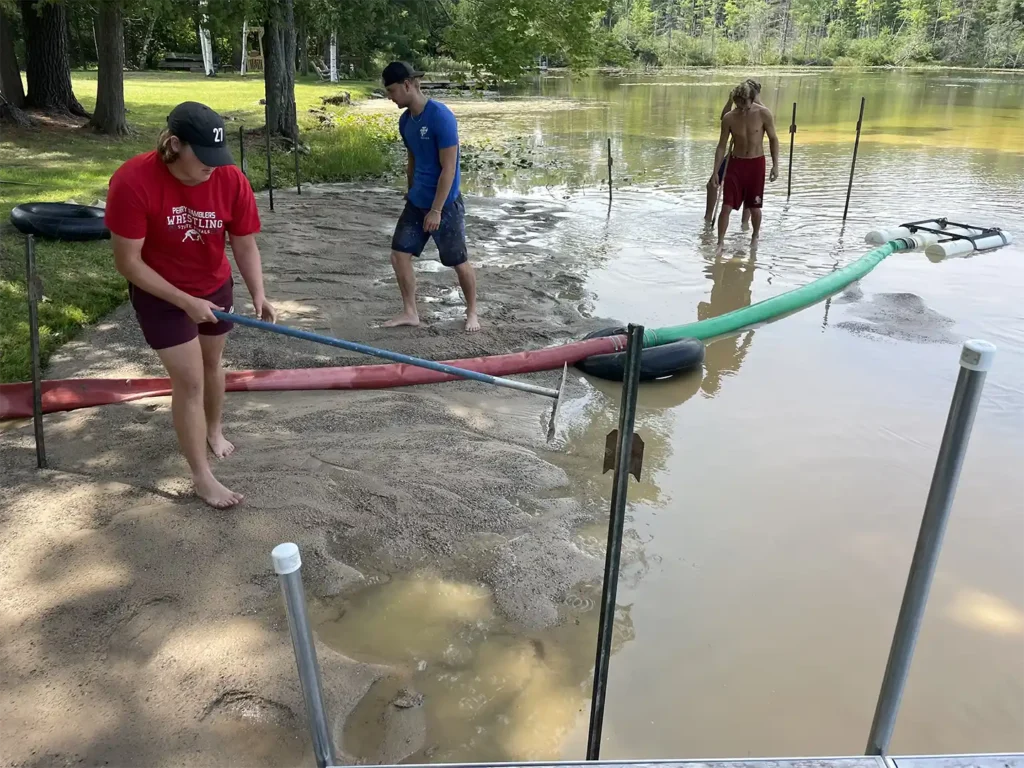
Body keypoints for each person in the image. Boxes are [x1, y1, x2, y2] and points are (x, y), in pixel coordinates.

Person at [105, 101, 277, 509]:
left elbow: (243, 241)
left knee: (212, 365)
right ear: (174, 145)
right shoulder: (132, 181)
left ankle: (213, 429)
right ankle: (201, 477)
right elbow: (127, 262)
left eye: (218, 159)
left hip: (213, 285)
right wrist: (185, 301)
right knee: (190, 380)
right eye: (202, 158)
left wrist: (259, 294)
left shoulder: (230, 179)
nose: (211, 168)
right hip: (161, 293)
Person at [381, 61, 480, 332]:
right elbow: (413, 158)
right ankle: (410, 312)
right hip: (417, 201)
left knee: (458, 262)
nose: (390, 97)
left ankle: (471, 312)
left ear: (408, 85)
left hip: (445, 203)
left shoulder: (440, 116)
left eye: (392, 90)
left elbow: (449, 168)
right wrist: (410, 189)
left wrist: (436, 210)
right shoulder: (405, 122)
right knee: (399, 254)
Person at [709, 81, 779, 251]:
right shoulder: (729, 118)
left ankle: (754, 237)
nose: (742, 110)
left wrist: (775, 165)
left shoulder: (763, 113)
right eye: (738, 106)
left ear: (752, 98)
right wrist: (715, 172)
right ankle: (720, 243)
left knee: (754, 207)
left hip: (756, 164)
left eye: (745, 106)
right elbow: (721, 145)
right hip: (736, 163)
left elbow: (773, 139)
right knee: (726, 206)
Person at [704, 78, 764, 226]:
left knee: (749, 196)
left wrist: (756, 98)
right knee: (712, 183)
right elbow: (724, 117)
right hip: (734, 156)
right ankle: (708, 218)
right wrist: (730, 100)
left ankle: (745, 224)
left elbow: (767, 119)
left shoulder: (759, 108)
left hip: (752, 158)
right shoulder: (736, 105)